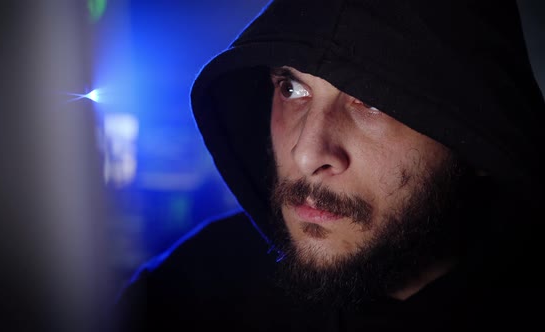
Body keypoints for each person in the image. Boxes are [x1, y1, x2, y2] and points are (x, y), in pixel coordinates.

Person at [112, 0, 545, 331]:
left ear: (479, 141)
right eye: (292, 87)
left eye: (374, 100)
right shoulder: (196, 290)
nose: (306, 153)